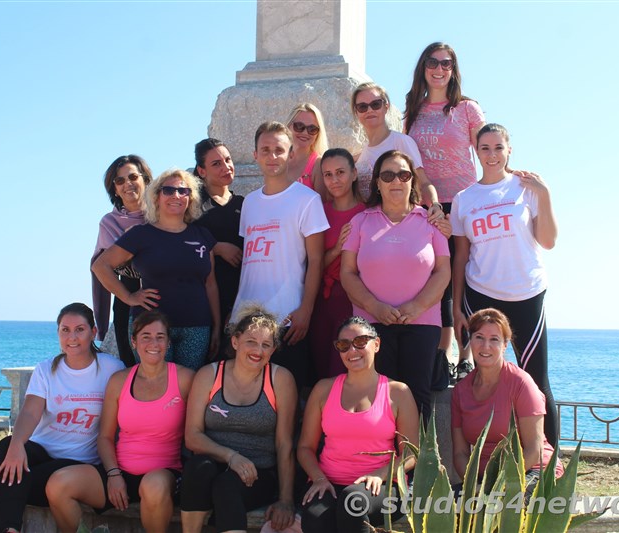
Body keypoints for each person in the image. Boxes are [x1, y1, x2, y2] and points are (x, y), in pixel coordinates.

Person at [451, 123, 559, 446]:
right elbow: (460, 257)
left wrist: (545, 194)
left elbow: (548, 241)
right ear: (476, 152)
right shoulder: (464, 199)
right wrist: (456, 307)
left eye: (498, 148)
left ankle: (549, 464)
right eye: (485, 148)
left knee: (537, 381)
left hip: (527, 294)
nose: (492, 155)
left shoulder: (527, 188)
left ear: (509, 150)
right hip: (481, 296)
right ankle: (484, 461)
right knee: (485, 379)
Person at [0, 303, 125, 533]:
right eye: (65, 330)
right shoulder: (46, 369)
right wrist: (18, 444)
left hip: (79, 464)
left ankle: (10, 528)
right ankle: (11, 529)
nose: (72, 337)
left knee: (13, 485)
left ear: (94, 332)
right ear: (58, 333)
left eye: (80, 329)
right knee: (7, 446)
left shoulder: (112, 369)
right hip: (41, 454)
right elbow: (30, 412)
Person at [46, 311, 194, 533]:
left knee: (153, 486)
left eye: (160, 336)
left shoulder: (185, 378)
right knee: (58, 484)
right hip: (119, 472)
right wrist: (113, 474)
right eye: (146, 336)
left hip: (163, 474)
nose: (153, 343)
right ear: (134, 342)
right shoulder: (119, 380)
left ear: (168, 342)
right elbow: (105, 437)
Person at [340, 150, 450, 421]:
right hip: (371, 326)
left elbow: (443, 272)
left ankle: (417, 463)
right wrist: (374, 306)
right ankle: (382, 462)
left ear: (412, 181)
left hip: (422, 325)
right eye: (388, 175)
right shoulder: (360, 222)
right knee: (377, 399)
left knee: (417, 398)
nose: (396, 181)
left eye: (403, 174)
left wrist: (416, 306)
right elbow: (347, 273)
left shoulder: (431, 222)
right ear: (377, 182)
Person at [405, 43, 486, 380]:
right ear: (423, 67)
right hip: (427, 208)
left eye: (446, 63)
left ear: (454, 69)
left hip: (464, 205)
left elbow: (487, 152)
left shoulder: (467, 109)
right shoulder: (413, 110)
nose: (439, 69)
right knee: (436, 280)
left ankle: (466, 356)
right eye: (432, 62)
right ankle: (442, 356)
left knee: (464, 281)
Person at [180, 305, 298, 533]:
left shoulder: (280, 379)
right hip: (214, 465)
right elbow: (192, 436)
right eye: (251, 342)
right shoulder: (209, 374)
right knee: (197, 467)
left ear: (273, 350)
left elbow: (285, 444)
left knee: (226, 486)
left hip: (259, 472)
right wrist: (231, 456)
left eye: (266, 345)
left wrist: (285, 499)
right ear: (235, 342)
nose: (258, 350)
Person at [231, 121, 329, 390]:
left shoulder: (307, 199)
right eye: (265, 150)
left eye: (278, 150)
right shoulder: (249, 202)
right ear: (255, 155)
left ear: (291, 154)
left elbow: (316, 260)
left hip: (287, 318)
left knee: (287, 398)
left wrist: (306, 310)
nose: (272, 156)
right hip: (245, 317)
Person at [298, 317, 419, 533]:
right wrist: (318, 478)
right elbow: (305, 447)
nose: (352, 350)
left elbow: (411, 454)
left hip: (383, 486)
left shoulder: (398, 392)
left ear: (377, 344)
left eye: (361, 341)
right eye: (343, 345)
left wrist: (380, 475)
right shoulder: (323, 389)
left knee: (352, 501)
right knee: (315, 516)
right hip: (328, 482)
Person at [92, 168, 221, 370]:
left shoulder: (202, 235)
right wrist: (128, 297)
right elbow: (101, 266)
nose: (176, 196)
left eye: (183, 191)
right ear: (156, 197)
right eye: (168, 190)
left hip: (196, 327)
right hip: (151, 328)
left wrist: (216, 327)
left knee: (187, 388)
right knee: (156, 387)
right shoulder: (141, 235)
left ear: (191, 197)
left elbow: (210, 285)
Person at [450, 308, 563, 498]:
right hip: (484, 479)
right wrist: (473, 485)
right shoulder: (461, 391)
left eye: (494, 339)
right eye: (479, 337)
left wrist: (498, 485)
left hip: (531, 470)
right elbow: (460, 453)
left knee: (503, 506)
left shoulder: (521, 383)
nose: (485, 346)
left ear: (505, 345)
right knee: (437, 507)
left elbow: (534, 450)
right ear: (470, 340)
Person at [308, 148, 366, 379]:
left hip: (355, 300)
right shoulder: (317, 212)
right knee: (321, 367)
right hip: (323, 298)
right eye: (328, 174)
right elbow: (310, 264)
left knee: (344, 367)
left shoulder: (369, 212)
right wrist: (336, 250)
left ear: (353, 174)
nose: (334, 180)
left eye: (340, 172)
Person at [92, 154, 153, 367]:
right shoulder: (109, 224)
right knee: (132, 368)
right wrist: (129, 297)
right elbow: (101, 268)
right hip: (128, 302)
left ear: (145, 180)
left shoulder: (164, 216)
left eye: (133, 177)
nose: (127, 184)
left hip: (166, 299)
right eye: (120, 181)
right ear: (115, 189)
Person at [350, 82, 442, 221]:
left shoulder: (401, 142)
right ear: (356, 112)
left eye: (375, 104)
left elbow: (423, 182)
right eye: (362, 107)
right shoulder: (361, 155)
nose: (369, 110)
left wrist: (435, 205)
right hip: (371, 226)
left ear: (386, 107)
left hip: (403, 223)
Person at [192, 138, 245, 357]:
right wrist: (216, 247)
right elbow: (180, 243)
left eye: (228, 159)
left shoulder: (244, 204)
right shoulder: (193, 207)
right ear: (201, 171)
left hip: (242, 298)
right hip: (205, 302)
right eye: (216, 164)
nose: (226, 167)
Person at [285, 103, 329, 192]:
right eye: (299, 126)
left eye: (312, 129)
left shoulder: (318, 165)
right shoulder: (279, 158)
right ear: (289, 126)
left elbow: (321, 204)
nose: (305, 133)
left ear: (318, 134)